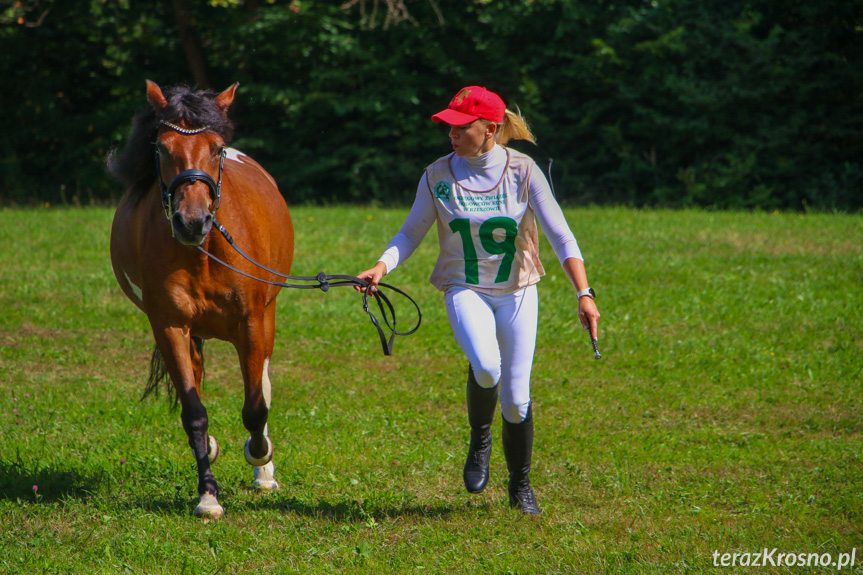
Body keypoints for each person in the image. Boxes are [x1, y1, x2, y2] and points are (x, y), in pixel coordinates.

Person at [357, 86, 600, 515]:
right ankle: (480, 436)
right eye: (448, 125)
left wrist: (584, 293)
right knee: (486, 366)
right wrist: (381, 266)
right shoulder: (437, 174)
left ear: (489, 129)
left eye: (459, 126)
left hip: (518, 291)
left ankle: (520, 485)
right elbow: (411, 232)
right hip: (464, 287)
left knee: (517, 397)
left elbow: (562, 236)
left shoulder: (524, 171)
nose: (449, 133)